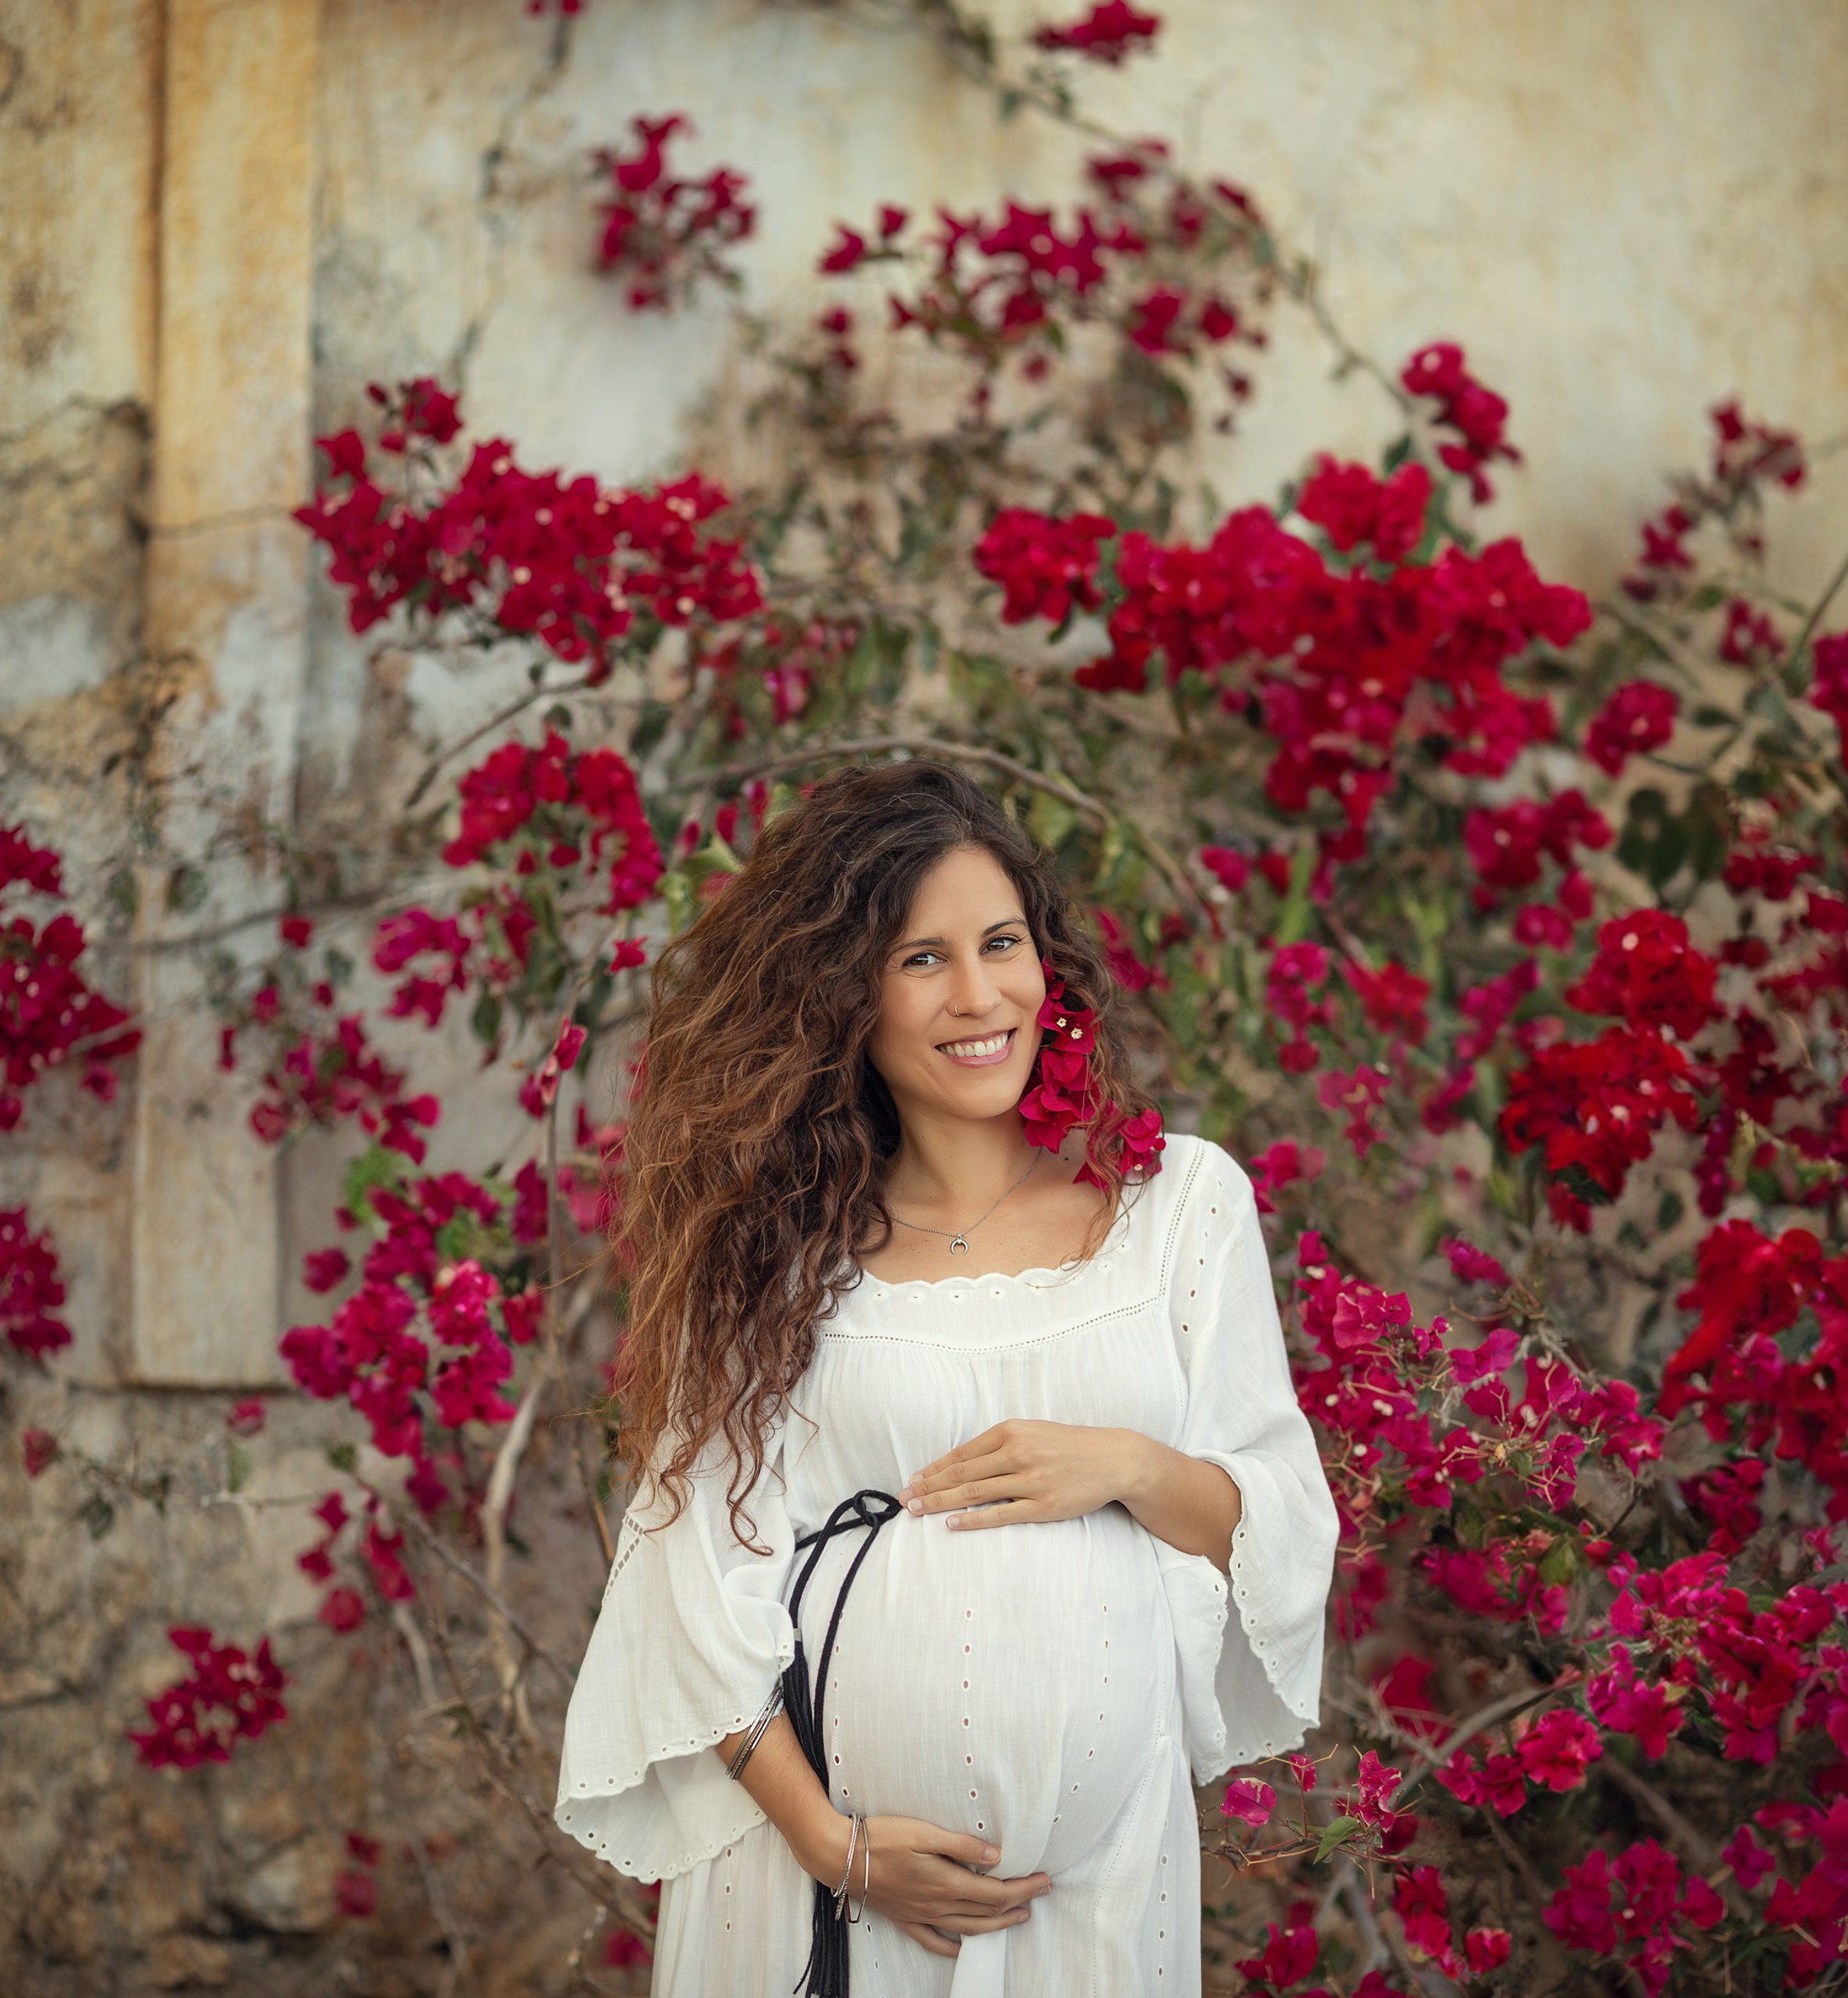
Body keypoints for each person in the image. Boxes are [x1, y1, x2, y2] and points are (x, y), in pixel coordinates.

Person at [556, 760, 1338, 1996]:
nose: (981, 996)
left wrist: (1127, 1466)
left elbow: (1280, 1523)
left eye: (1001, 943)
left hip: (1104, 1887)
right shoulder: (774, 1248)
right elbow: (686, 1578)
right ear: (838, 997)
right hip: (822, 1888)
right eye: (921, 959)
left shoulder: (1179, 1206)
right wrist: (833, 1845)